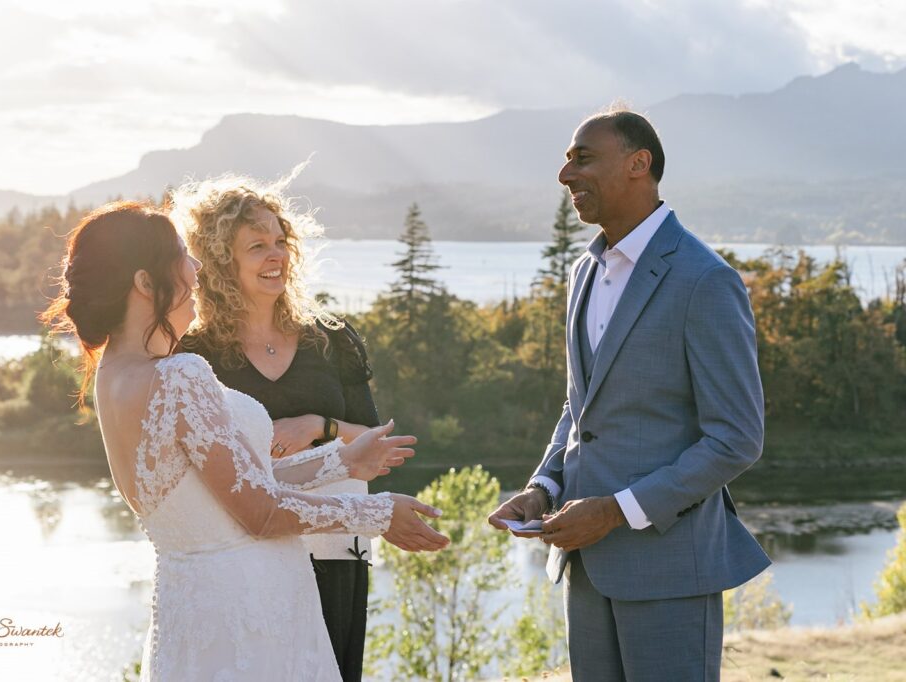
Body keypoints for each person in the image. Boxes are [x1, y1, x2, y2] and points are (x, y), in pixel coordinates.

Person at [41, 201, 449, 681]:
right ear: (145, 283)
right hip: (249, 610)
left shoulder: (113, 375)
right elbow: (260, 512)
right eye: (180, 255)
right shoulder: (180, 375)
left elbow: (225, 487)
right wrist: (378, 514)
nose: (194, 267)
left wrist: (341, 463)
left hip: (194, 611)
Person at [488, 108, 770, 681]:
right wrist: (543, 487)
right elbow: (580, 407)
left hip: (669, 569)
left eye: (583, 158)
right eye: (568, 160)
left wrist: (616, 512)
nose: (566, 175)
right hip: (584, 568)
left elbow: (736, 440)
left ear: (639, 164)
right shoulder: (582, 274)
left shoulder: (705, 280)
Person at [170, 177, 382, 681]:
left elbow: (377, 442)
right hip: (247, 548)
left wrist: (319, 425)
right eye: (257, 246)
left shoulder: (331, 339)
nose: (276, 256)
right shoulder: (193, 353)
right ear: (222, 262)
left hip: (335, 540)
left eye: (280, 242)